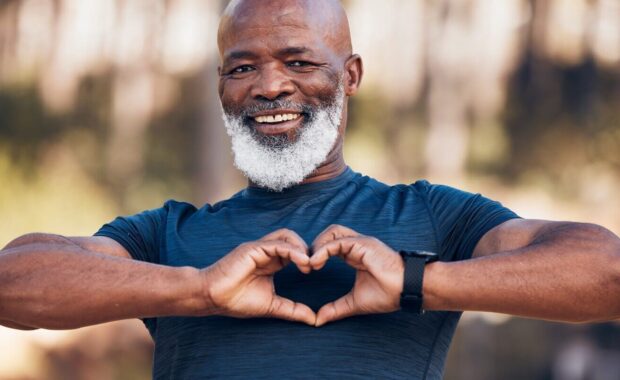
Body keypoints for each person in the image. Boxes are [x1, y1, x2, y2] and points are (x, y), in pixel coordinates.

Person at [1, 0, 619, 378]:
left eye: (298, 62)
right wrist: (198, 288)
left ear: (349, 75)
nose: (269, 86)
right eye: (243, 67)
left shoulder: (435, 216)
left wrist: (416, 283)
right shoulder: (165, 233)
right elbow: (14, 286)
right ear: (222, 88)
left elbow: (606, 275)